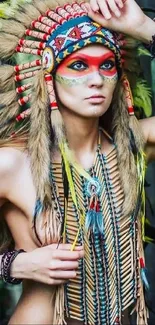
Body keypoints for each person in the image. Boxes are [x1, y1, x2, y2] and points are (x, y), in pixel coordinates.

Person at [0, 0, 155, 324]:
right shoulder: (14, 164)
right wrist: (13, 265)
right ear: (48, 74)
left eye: (107, 65)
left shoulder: (133, 147)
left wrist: (143, 28)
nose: (96, 80)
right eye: (79, 65)